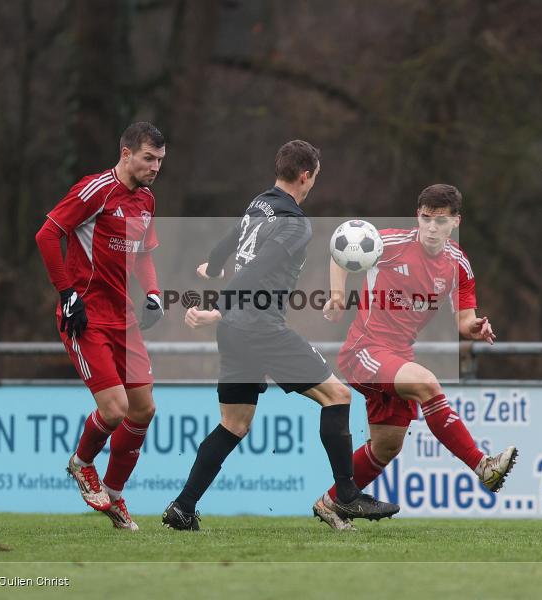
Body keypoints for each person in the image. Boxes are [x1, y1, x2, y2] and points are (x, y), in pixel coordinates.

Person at [161, 140, 399, 530]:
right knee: (337, 396)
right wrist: (220, 304)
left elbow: (231, 238)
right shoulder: (295, 224)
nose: (312, 185)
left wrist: (215, 265)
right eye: (314, 178)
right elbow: (260, 268)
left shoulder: (259, 203)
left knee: (234, 423)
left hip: (235, 333)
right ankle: (348, 496)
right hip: (259, 327)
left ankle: (183, 507)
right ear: (305, 176)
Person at [314, 184, 518, 530]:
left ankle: (331, 502)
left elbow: (464, 320)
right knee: (427, 383)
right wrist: (337, 296)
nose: (432, 228)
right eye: (426, 219)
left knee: (386, 447)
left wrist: (476, 328)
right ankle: (483, 466)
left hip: (398, 354)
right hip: (365, 349)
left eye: (440, 221)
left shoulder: (459, 265)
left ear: (456, 222)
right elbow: (340, 249)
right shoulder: (390, 244)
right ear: (417, 217)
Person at [34, 122, 167, 531]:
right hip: (86, 316)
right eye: (148, 158)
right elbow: (47, 234)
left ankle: (112, 494)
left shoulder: (145, 200)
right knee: (115, 409)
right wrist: (66, 293)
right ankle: (81, 461)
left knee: (144, 409)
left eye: (160, 160)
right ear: (125, 153)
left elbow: (143, 255)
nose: (155, 167)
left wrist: (154, 292)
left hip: (122, 316)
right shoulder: (95, 190)